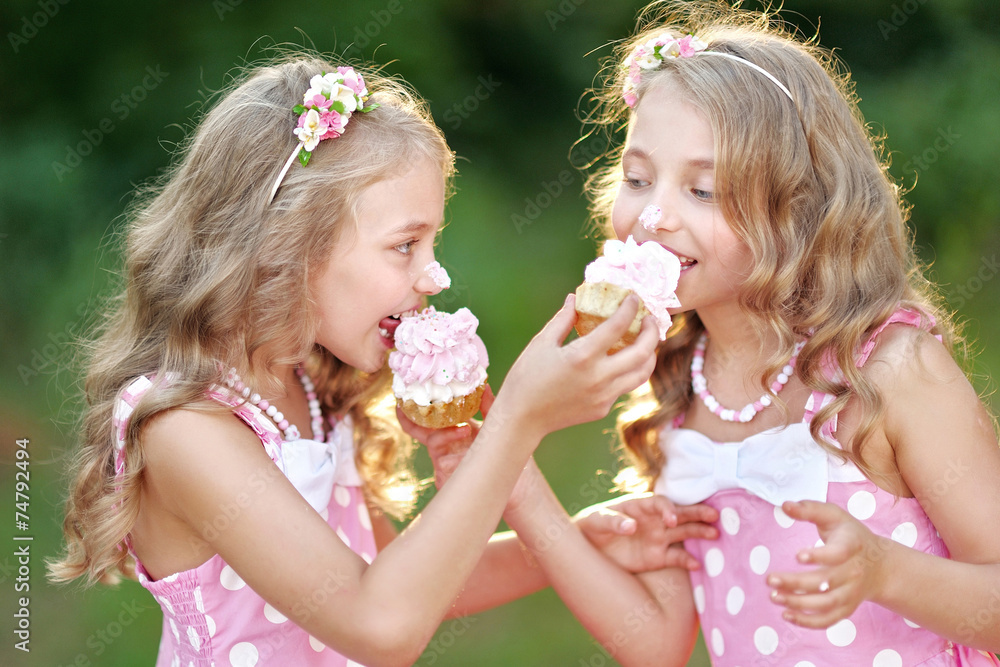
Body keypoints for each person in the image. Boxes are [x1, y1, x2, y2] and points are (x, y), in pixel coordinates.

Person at [46, 52, 685, 667]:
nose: (434, 274)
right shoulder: (187, 432)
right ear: (287, 245)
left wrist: (572, 540)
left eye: (432, 240)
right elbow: (381, 626)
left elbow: (402, 584)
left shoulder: (311, 385)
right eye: (404, 245)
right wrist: (519, 420)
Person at [475, 1, 1000, 665]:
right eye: (637, 179)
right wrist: (512, 471)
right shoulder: (676, 384)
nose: (654, 215)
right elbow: (658, 641)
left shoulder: (890, 370)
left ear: (800, 210)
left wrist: (885, 571)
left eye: (703, 189)